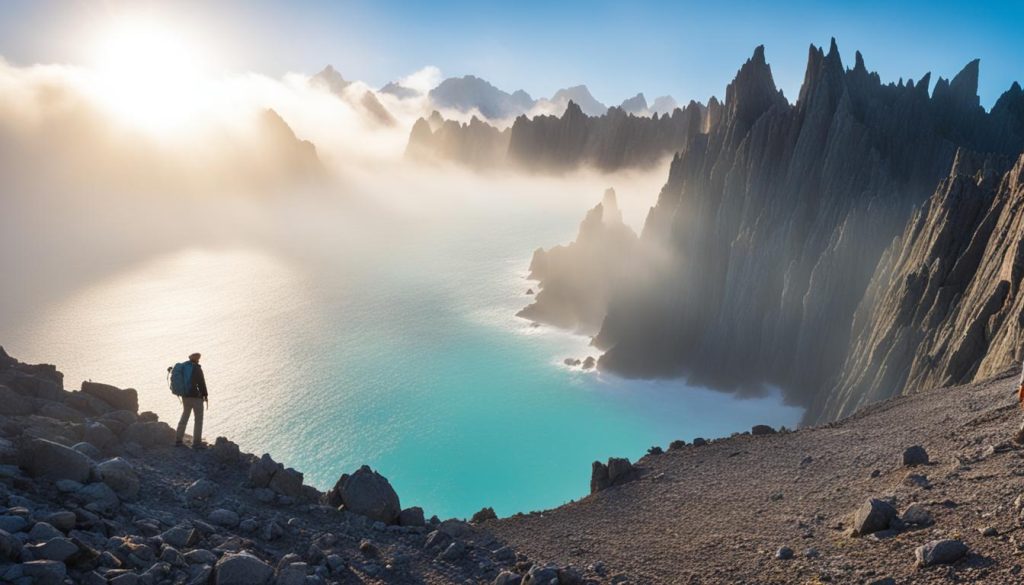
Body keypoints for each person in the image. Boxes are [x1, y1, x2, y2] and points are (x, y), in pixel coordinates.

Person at [175, 352, 208, 449]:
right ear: (197, 359)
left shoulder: (185, 367)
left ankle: (178, 439)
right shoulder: (197, 369)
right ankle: (196, 443)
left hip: (185, 397)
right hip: (196, 398)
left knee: (184, 417)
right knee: (198, 419)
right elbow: (201, 383)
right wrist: (205, 395)